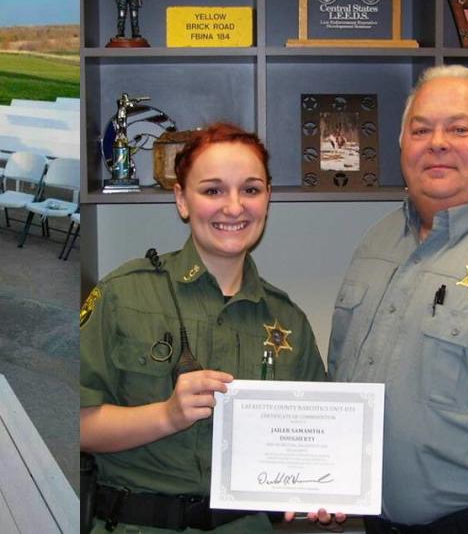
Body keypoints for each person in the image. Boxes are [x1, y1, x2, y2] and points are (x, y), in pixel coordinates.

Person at [328, 64, 468, 533]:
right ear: (402, 149)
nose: (437, 142)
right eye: (421, 129)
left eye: (459, 128)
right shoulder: (377, 243)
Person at [80, 123, 336, 533]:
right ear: (182, 200)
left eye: (250, 190)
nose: (234, 207)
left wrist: (323, 487)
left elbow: (317, 445)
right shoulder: (122, 295)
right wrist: (166, 415)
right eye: (213, 190)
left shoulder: (289, 321)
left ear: (268, 198)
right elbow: (79, 426)